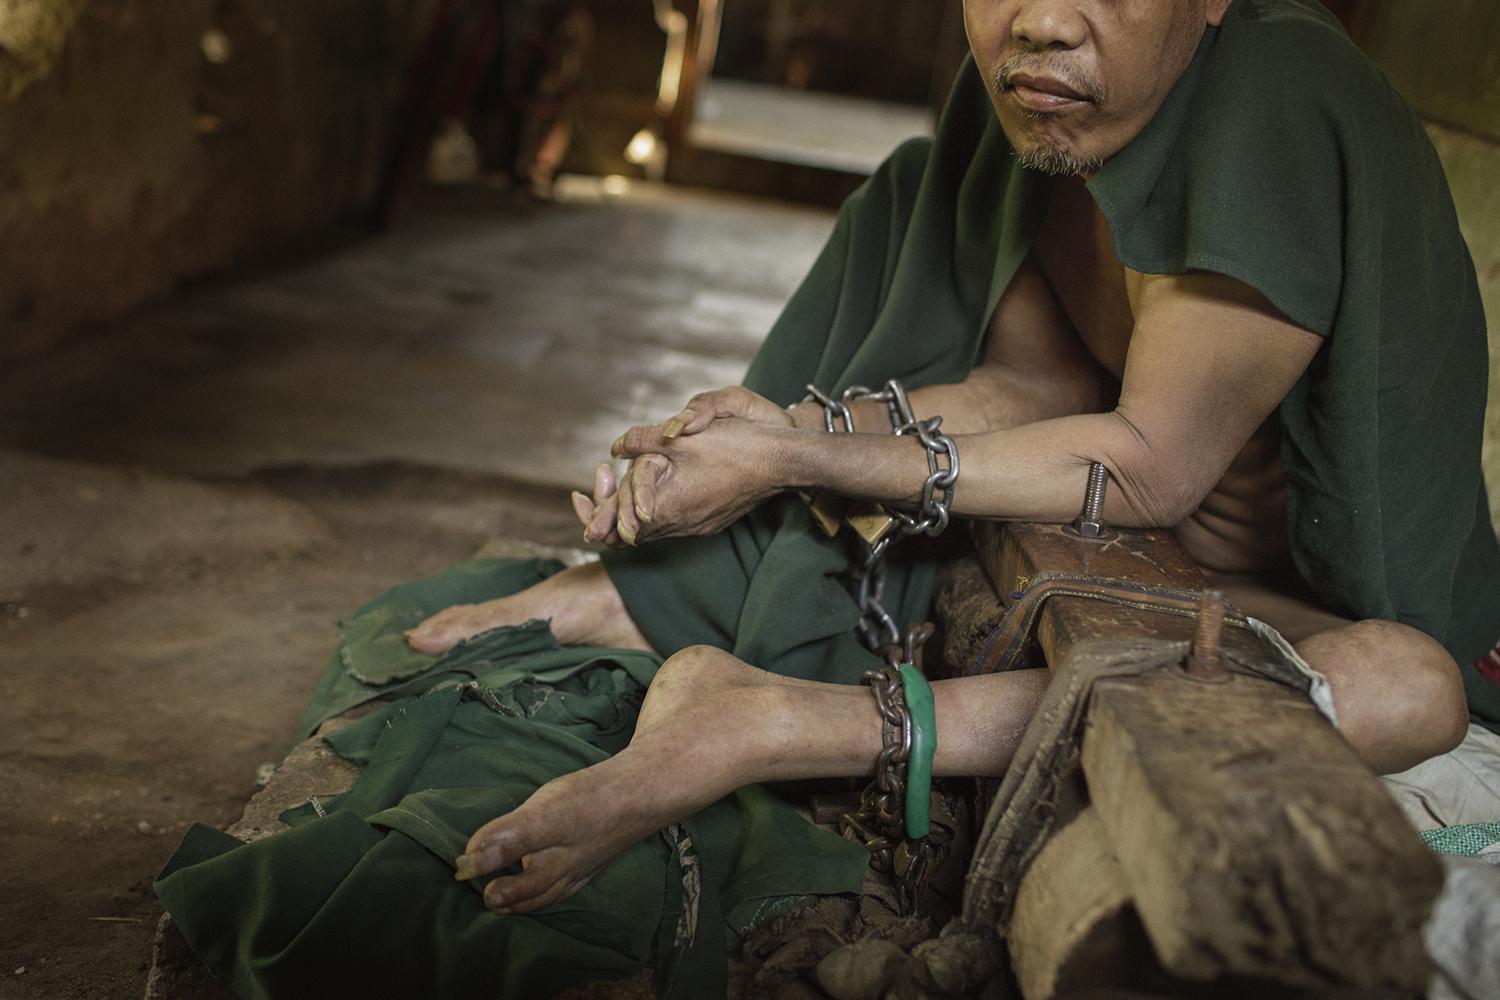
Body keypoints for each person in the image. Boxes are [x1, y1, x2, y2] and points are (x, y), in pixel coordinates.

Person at [157, 1, 1500, 995]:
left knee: (1407, 690)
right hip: (1086, 540)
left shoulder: (1273, 91)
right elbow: (1025, 392)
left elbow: (1151, 461)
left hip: (1267, 588)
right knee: (910, 199)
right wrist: (780, 427)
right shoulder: (1027, 102)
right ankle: (656, 596)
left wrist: (803, 461)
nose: (1040, 20)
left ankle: (771, 720)